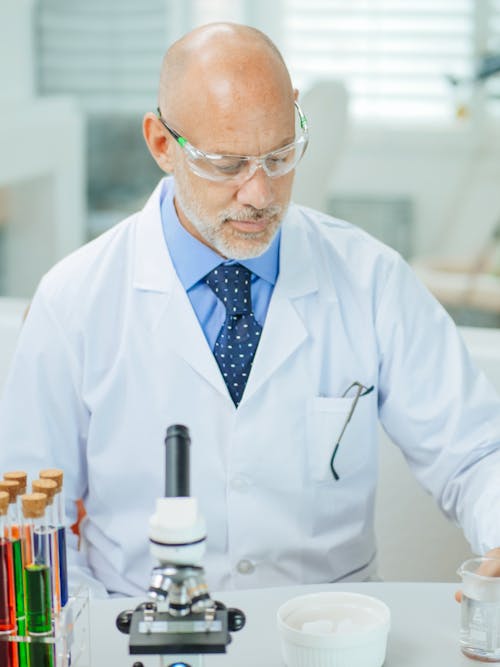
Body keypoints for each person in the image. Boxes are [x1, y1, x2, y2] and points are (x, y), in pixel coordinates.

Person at [0, 22, 499, 599]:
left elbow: (475, 453)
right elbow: (30, 524)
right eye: (228, 164)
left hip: (332, 635)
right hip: (139, 635)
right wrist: (94, 640)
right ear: (162, 143)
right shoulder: (75, 302)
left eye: (281, 155)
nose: (261, 194)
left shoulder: (371, 278)